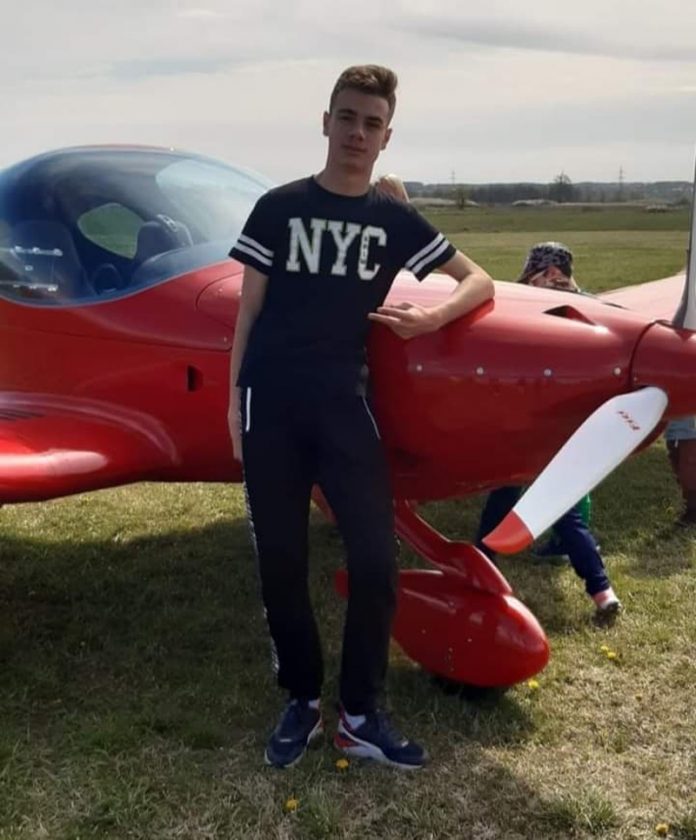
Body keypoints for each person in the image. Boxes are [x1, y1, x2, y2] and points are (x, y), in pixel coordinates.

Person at [227, 65, 494, 770]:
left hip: (345, 403)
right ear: (326, 122)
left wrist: (430, 318)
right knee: (282, 561)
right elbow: (249, 311)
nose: (356, 133)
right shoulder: (278, 208)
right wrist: (233, 403)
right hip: (268, 402)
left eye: (371, 123)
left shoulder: (393, 219)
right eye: (346, 118)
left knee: (376, 559)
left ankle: (360, 713)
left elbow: (478, 280)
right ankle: (300, 700)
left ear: (386, 137)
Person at [475, 242, 622, 623]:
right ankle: (602, 591)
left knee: (502, 498)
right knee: (564, 510)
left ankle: (478, 570)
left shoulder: (525, 305)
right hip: (569, 426)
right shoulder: (590, 307)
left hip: (527, 425)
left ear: (541, 271)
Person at [664, 417, 696, 525]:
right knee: (680, 472)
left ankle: (693, 511)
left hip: (690, 434)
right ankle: (689, 507)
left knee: (689, 473)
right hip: (672, 434)